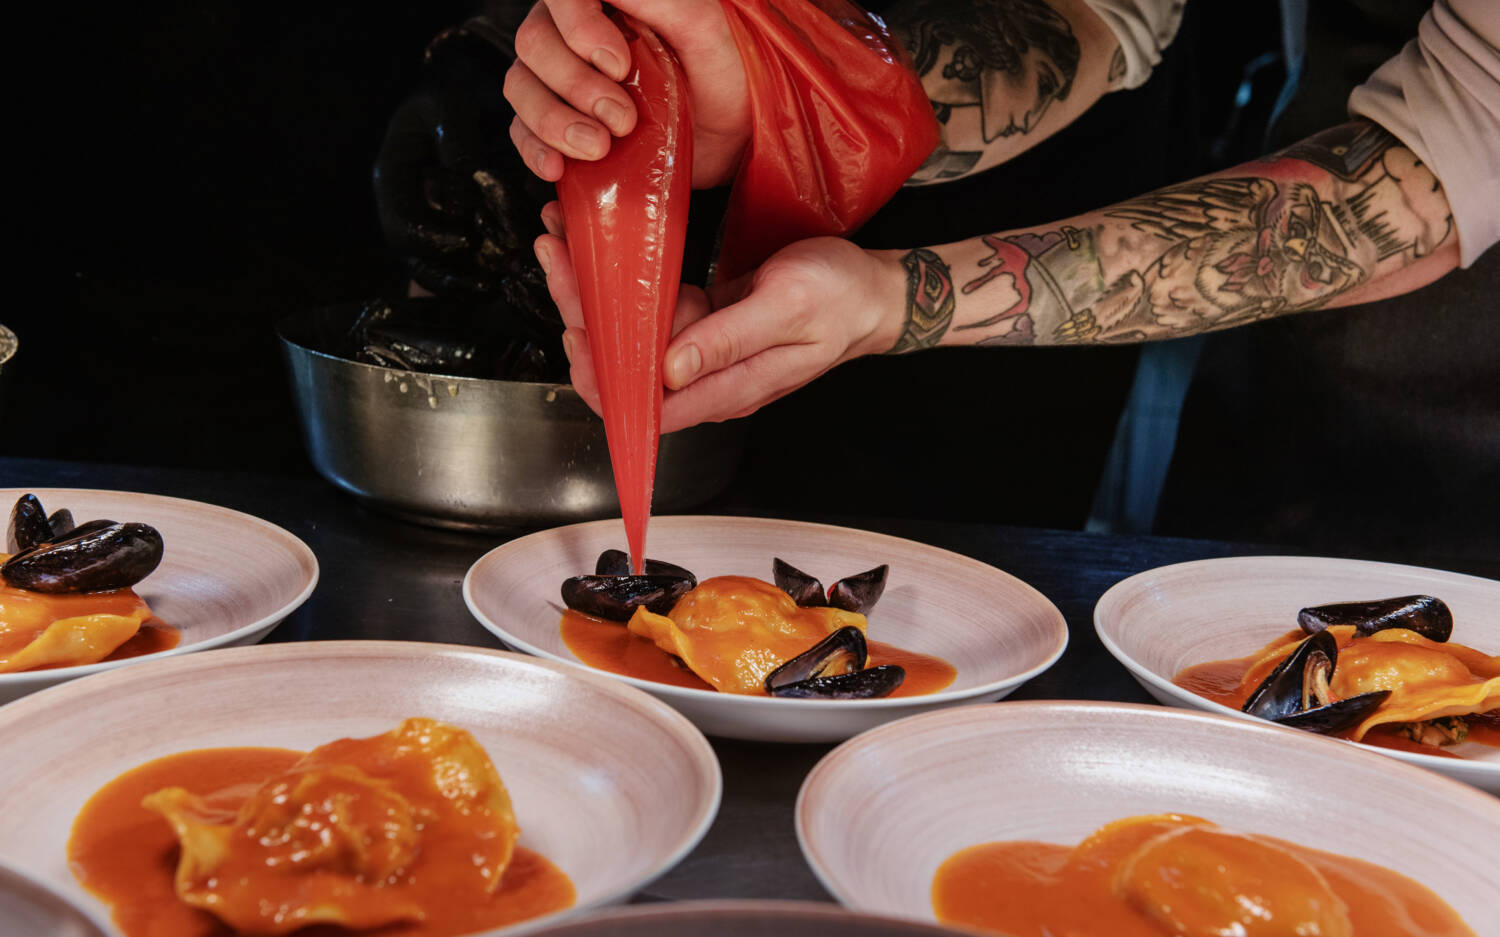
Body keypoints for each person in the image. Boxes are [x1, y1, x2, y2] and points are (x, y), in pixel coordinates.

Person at [514, 0, 1499, 560]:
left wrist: (894, 301)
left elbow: (1449, 149)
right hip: (1294, 387)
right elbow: (1099, 16)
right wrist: (786, 96)